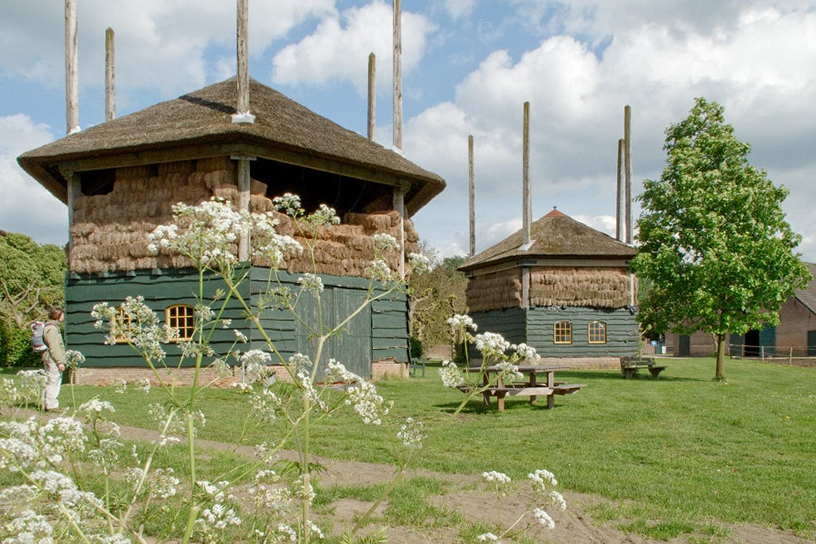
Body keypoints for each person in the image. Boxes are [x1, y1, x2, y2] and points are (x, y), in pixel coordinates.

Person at [41, 306, 67, 412]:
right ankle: (51, 405)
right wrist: (59, 362)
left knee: (49, 380)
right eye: (62, 315)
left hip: (50, 358)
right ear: (58, 316)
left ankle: (44, 403)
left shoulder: (51, 327)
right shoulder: (52, 329)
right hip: (53, 359)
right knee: (54, 380)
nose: (64, 317)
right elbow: (54, 347)